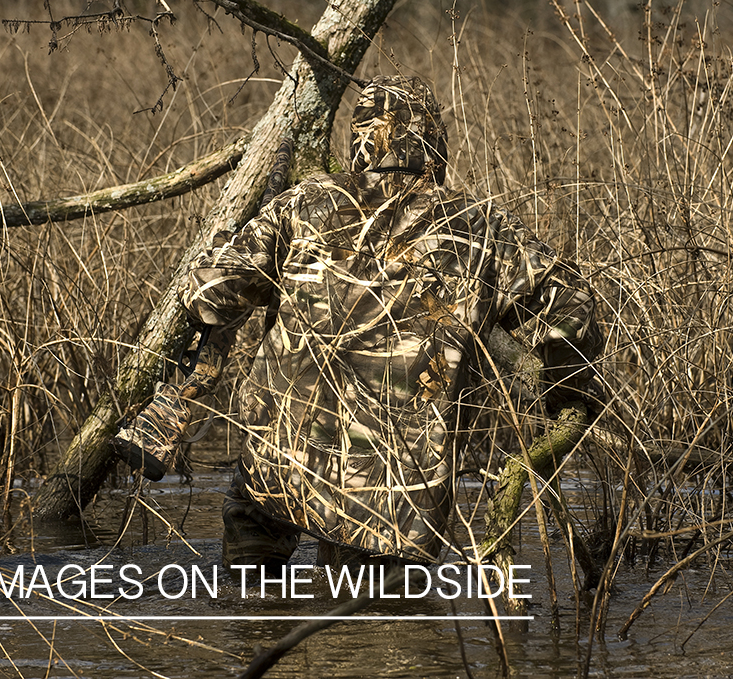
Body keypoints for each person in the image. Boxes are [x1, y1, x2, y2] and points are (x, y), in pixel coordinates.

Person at [177, 75, 603, 570]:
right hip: (398, 501)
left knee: (257, 606)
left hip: (279, 472)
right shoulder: (479, 227)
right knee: (384, 633)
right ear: (435, 144)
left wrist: (235, 233)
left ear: (358, 138)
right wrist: (559, 388)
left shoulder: (304, 204)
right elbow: (573, 312)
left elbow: (208, 292)